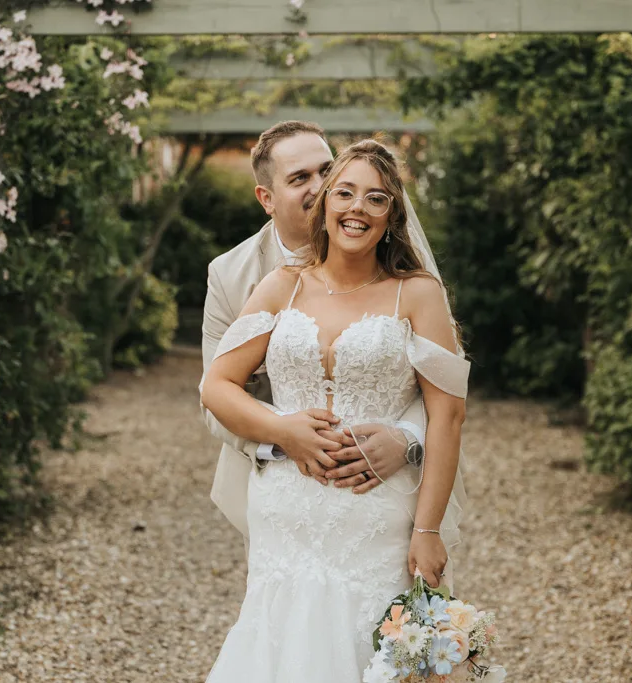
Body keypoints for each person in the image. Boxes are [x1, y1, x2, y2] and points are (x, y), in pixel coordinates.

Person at [201, 139, 470, 681]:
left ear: (392, 213)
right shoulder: (282, 286)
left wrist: (428, 530)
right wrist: (282, 431)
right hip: (285, 512)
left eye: (375, 199)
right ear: (325, 203)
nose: (357, 209)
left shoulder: (417, 294)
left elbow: (447, 415)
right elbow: (217, 385)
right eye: (344, 193)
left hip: (374, 514)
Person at [200, 122, 429, 544]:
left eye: (327, 170)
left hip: (385, 490)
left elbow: (440, 385)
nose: (321, 186)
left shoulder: (406, 277)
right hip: (281, 491)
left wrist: (408, 439)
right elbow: (213, 393)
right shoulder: (231, 276)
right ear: (266, 198)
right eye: (300, 177)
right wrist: (284, 436)